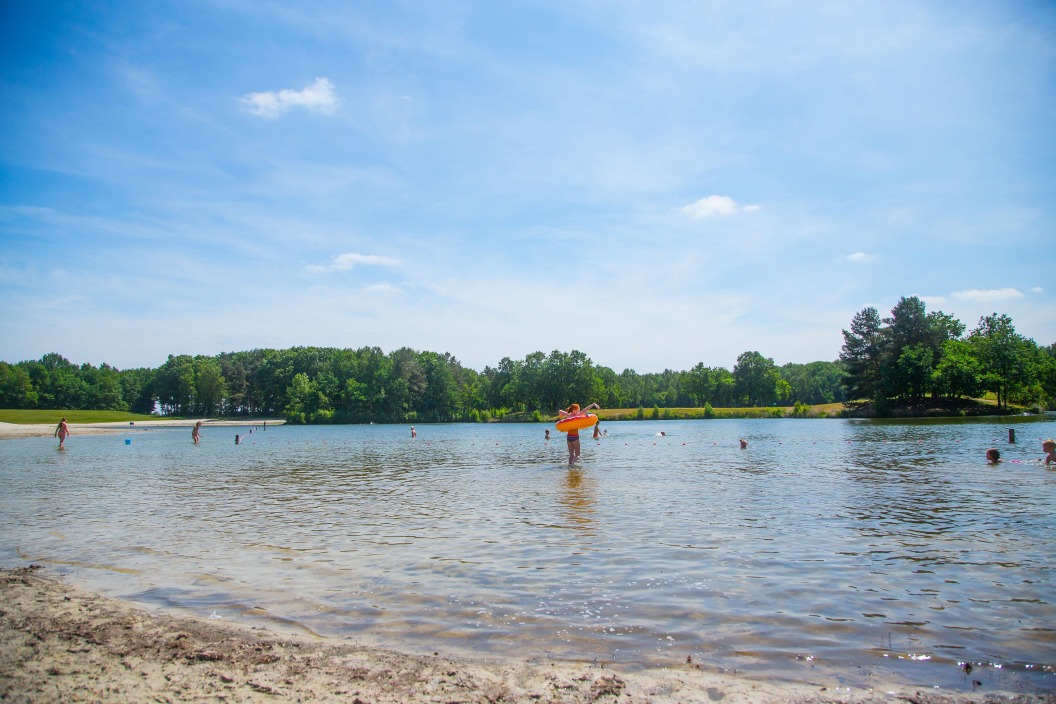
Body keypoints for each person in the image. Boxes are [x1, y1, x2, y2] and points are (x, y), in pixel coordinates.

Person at [557, 402, 600, 467]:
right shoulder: (577, 415)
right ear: (575, 409)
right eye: (578, 409)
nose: (579, 411)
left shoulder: (568, 415)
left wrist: (560, 416)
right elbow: (585, 410)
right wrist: (593, 404)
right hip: (575, 438)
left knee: (571, 454)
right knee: (577, 455)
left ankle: (570, 467)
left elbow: (560, 411)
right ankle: (571, 463)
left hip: (568, 437)